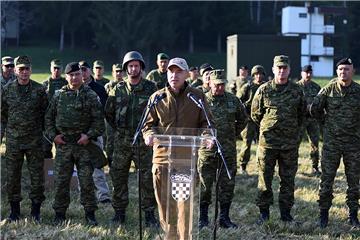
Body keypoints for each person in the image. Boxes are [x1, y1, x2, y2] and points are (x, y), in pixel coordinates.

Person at [142, 57, 213, 239]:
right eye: (171, 71)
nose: (174, 75)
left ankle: (184, 237)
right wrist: (148, 135)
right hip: (162, 158)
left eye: (179, 71)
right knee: (165, 203)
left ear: (187, 74)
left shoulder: (196, 97)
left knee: (183, 203)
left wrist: (207, 137)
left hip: (184, 160)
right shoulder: (157, 97)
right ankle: (170, 234)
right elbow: (148, 125)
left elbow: (206, 124)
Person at [45, 62, 105, 226]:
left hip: (84, 146)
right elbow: (48, 119)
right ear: (66, 77)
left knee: (86, 182)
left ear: (82, 75)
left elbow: (99, 122)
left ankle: (90, 214)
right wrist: (53, 136)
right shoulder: (58, 95)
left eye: (77, 74)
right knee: (61, 182)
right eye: (71, 75)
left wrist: (89, 135)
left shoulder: (90, 95)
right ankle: (59, 214)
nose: (74, 77)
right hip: (63, 145)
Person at [105, 51, 158, 226]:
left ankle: (149, 214)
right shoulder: (118, 89)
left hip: (144, 140)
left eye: (136, 66)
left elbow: (159, 113)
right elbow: (109, 113)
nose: (133, 69)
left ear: (141, 68)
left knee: (147, 178)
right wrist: (120, 131)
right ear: (126, 68)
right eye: (130, 66)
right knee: (118, 176)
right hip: (122, 140)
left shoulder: (151, 88)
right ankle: (119, 213)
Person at [251, 55, 304, 224]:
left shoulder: (297, 91)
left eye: (285, 68)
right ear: (273, 70)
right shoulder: (264, 90)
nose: (281, 71)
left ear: (289, 70)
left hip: (289, 145)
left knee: (288, 181)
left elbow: (302, 116)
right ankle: (264, 213)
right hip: (268, 144)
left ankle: (286, 214)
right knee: (265, 179)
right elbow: (255, 115)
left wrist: (294, 135)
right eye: (278, 68)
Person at [309, 57, 360, 228]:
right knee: (327, 180)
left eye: (346, 69)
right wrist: (325, 124)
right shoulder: (328, 89)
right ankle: (323, 216)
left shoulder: (358, 91)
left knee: (354, 181)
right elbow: (314, 109)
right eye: (340, 70)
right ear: (336, 72)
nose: (343, 72)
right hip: (332, 143)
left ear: (352, 71)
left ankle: (353, 216)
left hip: (353, 144)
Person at [197, 69, 248, 229]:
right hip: (207, 152)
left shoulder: (233, 100)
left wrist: (231, 134)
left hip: (227, 150)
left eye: (222, 84)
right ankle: (203, 218)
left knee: (227, 185)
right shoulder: (201, 101)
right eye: (216, 84)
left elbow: (243, 119)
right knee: (205, 185)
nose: (219, 88)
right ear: (209, 83)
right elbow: (193, 123)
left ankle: (224, 218)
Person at [1, 55, 48, 222]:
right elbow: (3, 115)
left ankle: (35, 212)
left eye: (27, 69)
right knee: (13, 177)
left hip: (34, 141)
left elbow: (45, 114)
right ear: (15, 70)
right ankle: (14, 212)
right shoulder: (7, 90)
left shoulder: (40, 90)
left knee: (37, 177)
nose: (24, 72)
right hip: (13, 141)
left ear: (31, 70)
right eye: (21, 69)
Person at [79, 60, 111, 204]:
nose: (82, 73)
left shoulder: (98, 89)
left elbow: (103, 110)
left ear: (90, 71)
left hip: (95, 133)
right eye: (79, 70)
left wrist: (92, 132)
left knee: (98, 165)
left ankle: (103, 195)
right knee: (81, 166)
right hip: (79, 134)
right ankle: (84, 194)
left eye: (84, 69)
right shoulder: (74, 88)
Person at [237, 65, 266, 174]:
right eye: (256, 74)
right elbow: (238, 101)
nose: (258, 76)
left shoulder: (266, 87)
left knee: (263, 144)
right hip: (249, 120)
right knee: (246, 143)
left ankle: (262, 166)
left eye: (260, 74)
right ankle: (243, 165)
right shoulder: (247, 87)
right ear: (253, 75)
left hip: (263, 120)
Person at [296, 65, 321, 176]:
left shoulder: (316, 87)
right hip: (300, 120)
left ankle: (315, 167)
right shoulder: (295, 87)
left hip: (312, 120)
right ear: (302, 73)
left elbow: (321, 102)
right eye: (306, 72)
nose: (308, 74)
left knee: (315, 144)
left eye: (310, 72)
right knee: (295, 143)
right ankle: (292, 166)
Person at [42, 59, 68, 158]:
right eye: (54, 68)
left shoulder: (67, 84)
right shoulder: (44, 85)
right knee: (45, 148)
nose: (56, 70)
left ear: (62, 69)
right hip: (48, 122)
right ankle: (48, 172)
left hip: (62, 122)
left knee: (62, 149)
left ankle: (61, 171)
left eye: (58, 68)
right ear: (51, 68)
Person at [104, 63, 125, 166]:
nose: (118, 73)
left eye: (120, 71)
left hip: (123, 118)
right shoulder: (108, 86)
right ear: (112, 73)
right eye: (116, 71)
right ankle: (110, 160)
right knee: (110, 139)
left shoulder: (127, 85)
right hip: (111, 118)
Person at [1, 56, 16, 143]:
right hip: (0, 116)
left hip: (13, 117)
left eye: (12, 66)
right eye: (7, 66)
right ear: (1, 66)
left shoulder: (18, 79)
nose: (10, 68)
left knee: (13, 143)